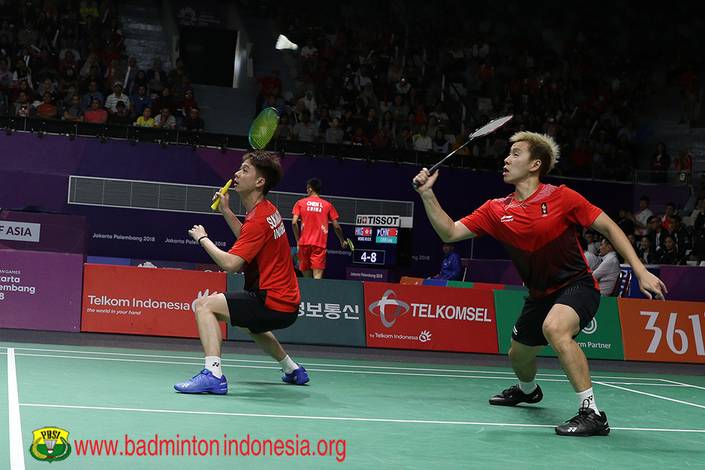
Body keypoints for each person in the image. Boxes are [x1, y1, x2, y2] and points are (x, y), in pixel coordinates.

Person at [413, 131, 667, 437]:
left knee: (556, 328)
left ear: (535, 164)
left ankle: (592, 413)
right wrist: (428, 194)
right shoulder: (496, 209)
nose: (506, 159)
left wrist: (639, 270)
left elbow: (609, 227)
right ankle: (528, 390)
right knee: (517, 355)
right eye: (508, 154)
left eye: (515, 154)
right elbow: (450, 233)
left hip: (577, 285)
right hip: (539, 293)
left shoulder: (562, 197)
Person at [174, 150, 309, 394]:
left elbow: (231, 264)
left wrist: (202, 238)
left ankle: (213, 375)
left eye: (245, 170)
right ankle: (293, 370)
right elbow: (249, 239)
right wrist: (226, 211)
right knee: (251, 325)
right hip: (286, 304)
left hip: (271, 300)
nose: (236, 173)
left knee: (204, 306)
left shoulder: (259, 218)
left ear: (260, 182)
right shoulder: (266, 211)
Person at [291, 178, 347, 279]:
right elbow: (337, 227)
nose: (306, 190)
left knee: (307, 279)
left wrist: (297, 241)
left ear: (310, 189)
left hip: (303, 245)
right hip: (319, 245)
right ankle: (315, 295)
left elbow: (294, 222)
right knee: (317, 278)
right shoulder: (327, 205)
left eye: (307, 188)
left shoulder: (300, 203)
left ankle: (306, 295)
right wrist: (342, 241)